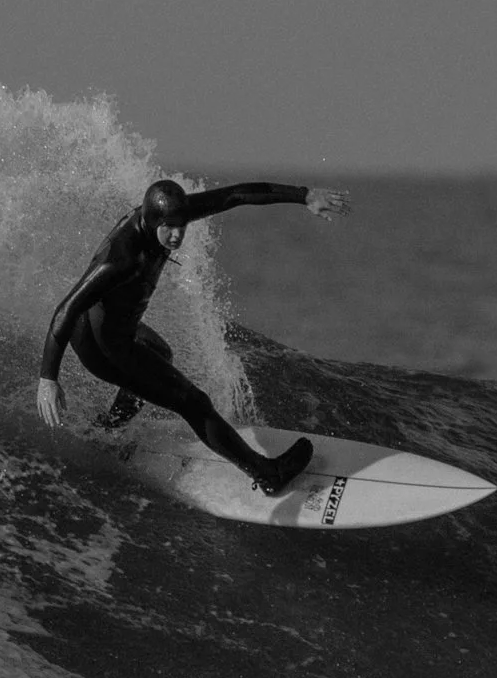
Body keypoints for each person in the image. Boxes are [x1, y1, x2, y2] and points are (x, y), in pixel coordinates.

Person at [36, 177, 350, 495]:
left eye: (182, 226)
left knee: (159, 353)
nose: (177, 235)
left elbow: (236, 194)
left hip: (113, 328)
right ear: (151, 220)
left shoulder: (172, 214)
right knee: (194, 402)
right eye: (170, 228)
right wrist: (48, 378)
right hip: (101, 345)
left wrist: (304, 195)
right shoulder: (122, 259)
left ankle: (108, 430)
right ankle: (267, 473)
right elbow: (66, 309)